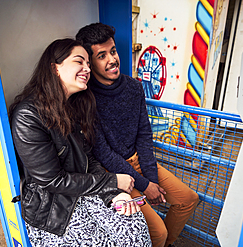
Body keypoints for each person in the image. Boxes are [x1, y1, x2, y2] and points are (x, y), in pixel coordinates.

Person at [9, 38, 152, 247]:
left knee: (134, 229)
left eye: (87, 63)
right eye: (79, 62)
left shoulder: (72, 107)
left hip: (82, 191)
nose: (87, 68)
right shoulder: (28, 116)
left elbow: (89, 159)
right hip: (54, 208)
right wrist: (113, 182)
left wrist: (113, 194)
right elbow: (52, 181)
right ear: (54, 68)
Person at [76, 23, 200, 247]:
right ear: (89, 62)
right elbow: (103, 153)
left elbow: (144, 134)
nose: (112, 60)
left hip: (140, 162)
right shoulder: (86, 99)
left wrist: (151, 178)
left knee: (188, 199)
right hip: (114, 172)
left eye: (112, 51)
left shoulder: (134, 87)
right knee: (157, 232)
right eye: (101, 56)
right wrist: (145, 185)